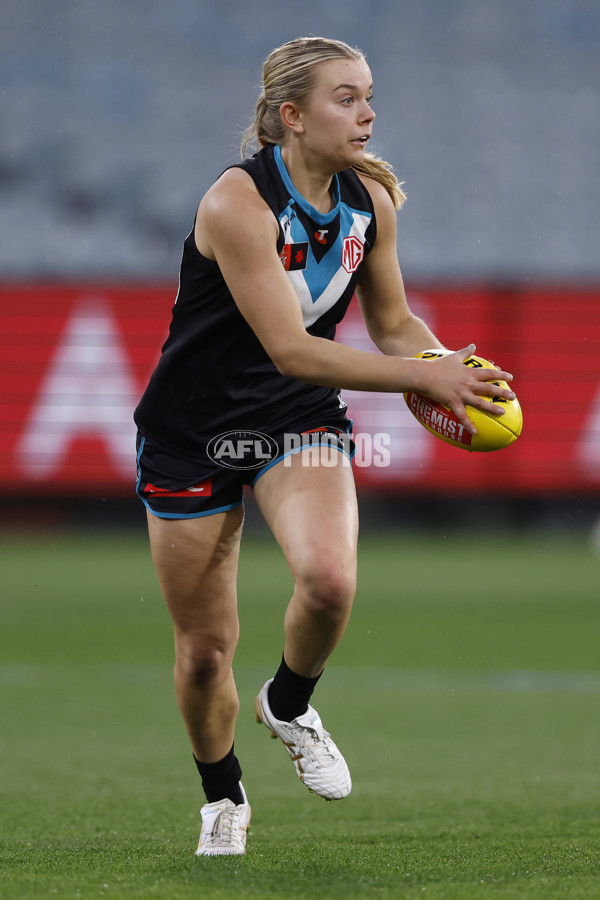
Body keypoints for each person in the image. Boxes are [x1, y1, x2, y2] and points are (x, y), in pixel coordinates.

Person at [133, 36, 516, 857]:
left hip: (293, 416)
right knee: (204, 654)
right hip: (193, 430)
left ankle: (291, 701)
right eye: (346, 97)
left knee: (332, 579)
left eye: (370, 94)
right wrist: (420, 382)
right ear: (291, 117)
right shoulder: (236, 204)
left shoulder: (370, 198)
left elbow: (392, 322)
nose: (368, 111)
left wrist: (442, 365)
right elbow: (292, 346)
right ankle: (222, 796)